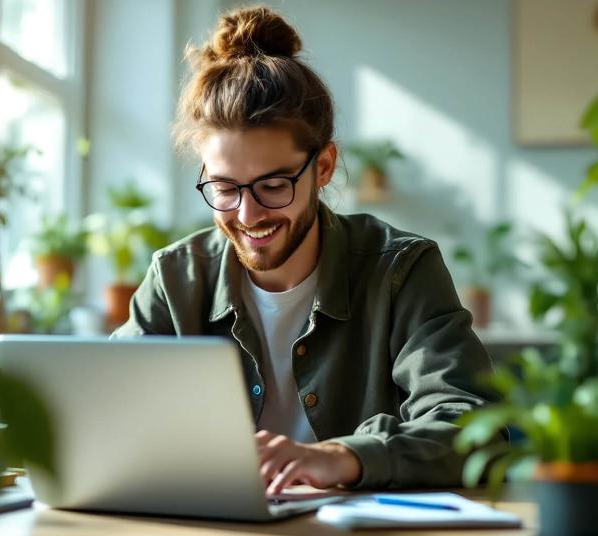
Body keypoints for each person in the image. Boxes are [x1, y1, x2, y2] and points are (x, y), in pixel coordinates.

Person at [113, 5, 495, 494]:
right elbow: (112, 420)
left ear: (324, 167)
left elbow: (473, 427)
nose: (248, 216)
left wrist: (343, 457)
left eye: (274, 185)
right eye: (225, 188)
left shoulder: (401, 270)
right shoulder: (174, 278)